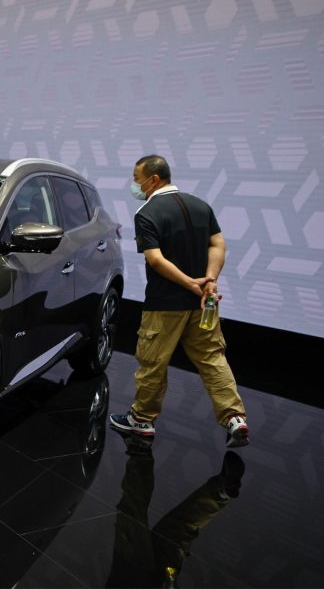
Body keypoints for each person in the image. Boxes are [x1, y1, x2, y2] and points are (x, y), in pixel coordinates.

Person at [109, 155, 249, 447]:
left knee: (152, 364)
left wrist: (190, 284)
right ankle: (235, 418)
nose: (135, 185)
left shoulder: (146, 213)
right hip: (204, 304)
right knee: (213, 359)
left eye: (137, 178)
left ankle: (141, 420)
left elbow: (156, 260)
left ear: (154, 179)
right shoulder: (201, 205)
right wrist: (208, 280)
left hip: (164, 305)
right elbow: (218, 244)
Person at [105, 438, 246, 587]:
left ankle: (220, 492)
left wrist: (170, 579)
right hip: (130, 569)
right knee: (131, 510)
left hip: (162, 578)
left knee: (178, 530)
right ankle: (140, 448)